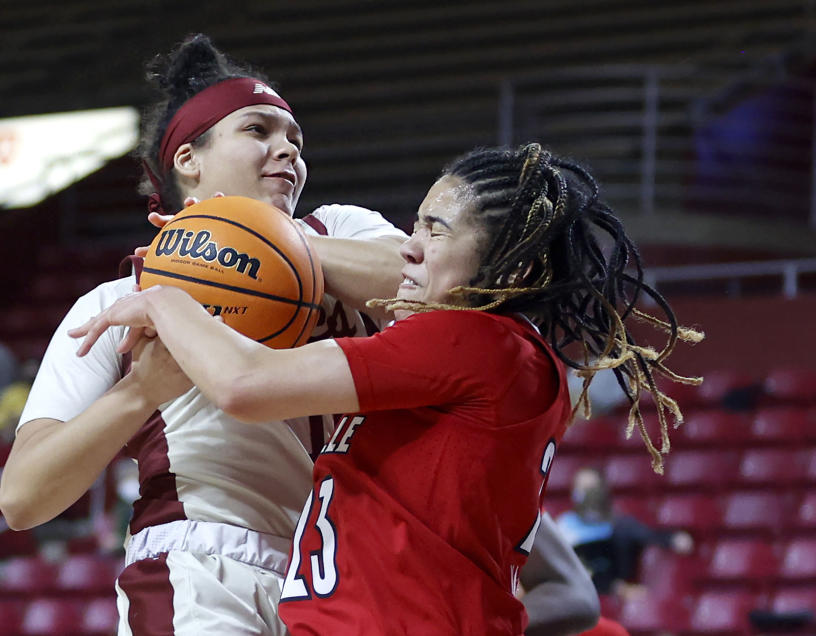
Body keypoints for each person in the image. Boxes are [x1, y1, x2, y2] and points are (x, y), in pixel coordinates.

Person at [71, 142, 702, 633]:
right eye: (415, 226)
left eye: (436, 230)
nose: (410, 248)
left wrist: (169, 295)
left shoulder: (475, 341)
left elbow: (243, 384)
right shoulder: (501, 357)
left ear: (515, 266)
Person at [0, 34, 406, 635]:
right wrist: (141, 391)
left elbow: (438, 287)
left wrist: (274, 248)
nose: (287, 151)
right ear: (189, 159)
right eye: (258, 131)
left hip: (343, 571)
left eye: (295, 140)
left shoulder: (342, 230)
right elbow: (23, 497)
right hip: (202, 565)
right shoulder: (121, 300)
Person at [557, 466, 694, 598]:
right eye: (581, 487)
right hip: (579, 589)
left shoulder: (620, 525)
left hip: (614, 586)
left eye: (590, 488)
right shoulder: (564, 524)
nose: (585, 493)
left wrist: (673, 539)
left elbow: (648, 535)